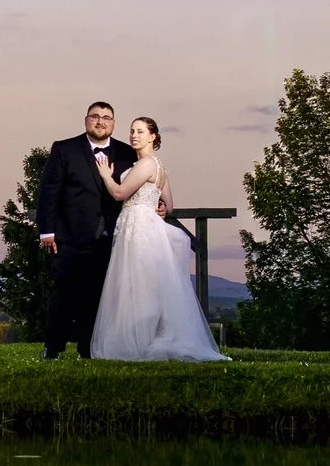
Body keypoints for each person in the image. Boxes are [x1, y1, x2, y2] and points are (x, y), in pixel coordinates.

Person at [87, 117, 228, 362]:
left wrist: (106, 176)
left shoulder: (146, 164)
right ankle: (147, 336)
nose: (134, 135)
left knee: (138, 284)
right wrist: (162, 209)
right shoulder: (157, 166)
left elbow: (120, 193)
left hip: (138, 226)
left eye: (140, 131)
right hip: (144, 224)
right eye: (132, 131)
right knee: (145, 284)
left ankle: (137, 341)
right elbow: (170, 205)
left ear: (153, 136)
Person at [34, 101, 133, 361]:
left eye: (107, 118)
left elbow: (138, 186)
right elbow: (49, 191)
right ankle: (53, 348)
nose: (101, 121)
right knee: (63, 293)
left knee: (97, 296)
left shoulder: (126, 153)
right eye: (95, 117)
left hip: (111, 237)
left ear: (114, 123)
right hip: (68, 237)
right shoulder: (64, 149)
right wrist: (47, 231)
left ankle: (87, 350)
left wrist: (158, 206)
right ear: (86, 120)